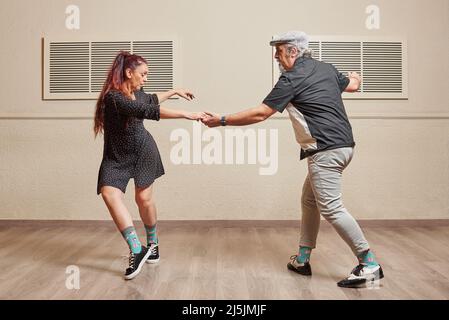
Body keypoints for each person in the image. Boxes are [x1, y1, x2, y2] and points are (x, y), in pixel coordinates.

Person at [202, 31, 384, 288]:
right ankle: (302, 258)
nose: (276, 58)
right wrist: (356, 76)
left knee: (331, 207)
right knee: (310, 199)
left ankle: (370, 264)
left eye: (279, 52)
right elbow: (353, 85)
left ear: (294, 51)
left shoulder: (291, 78)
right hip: (343, 147)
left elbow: (260, 113)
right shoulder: (326, 68)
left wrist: (221, 120)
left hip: (325, 150)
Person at [94, 51, 205, 280]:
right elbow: (146, 110)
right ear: (128, 72)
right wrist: (187, 115)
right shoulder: (114, 98)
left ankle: (153, 243)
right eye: (143, 74)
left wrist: (174, 91)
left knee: (143, 200)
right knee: (109, 194)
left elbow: (150, 100)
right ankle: (137, 248)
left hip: (144, 150)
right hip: (117, 156)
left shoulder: (137, 92)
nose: (145, 79)